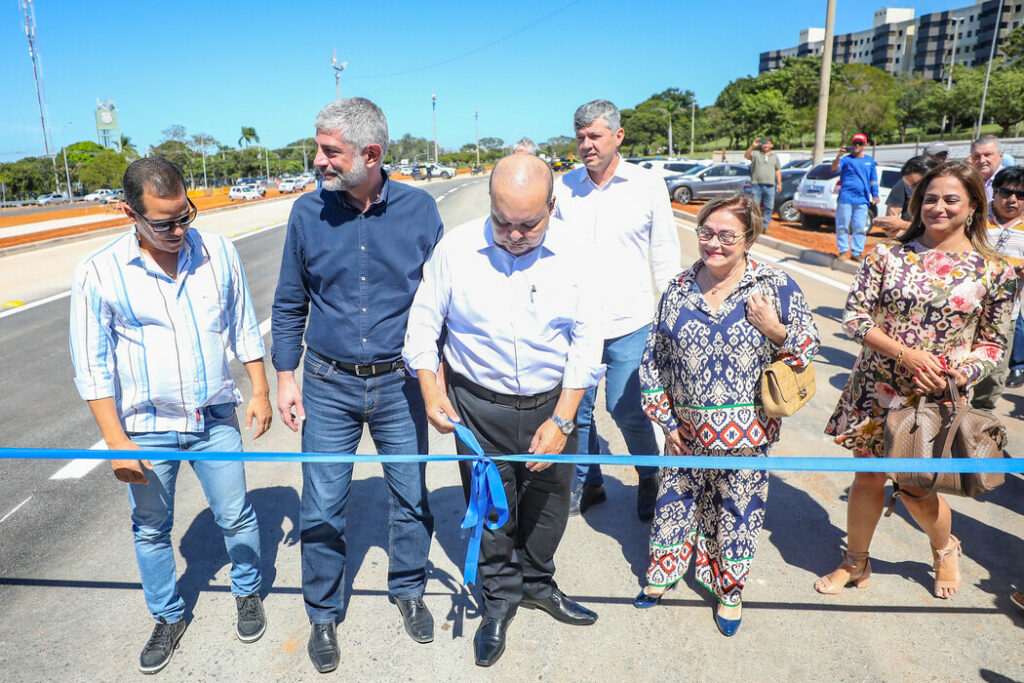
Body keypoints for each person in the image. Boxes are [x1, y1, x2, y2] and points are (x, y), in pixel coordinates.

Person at [69, 156, 272, 675]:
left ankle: (247, 593)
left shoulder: (218, 252)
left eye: (186, 215)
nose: (179, 230)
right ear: (127, 212)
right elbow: (91, 366)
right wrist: (116, 442)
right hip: (146, 428)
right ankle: (167, 615)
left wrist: (260, 390)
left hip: (213, 418)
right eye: (163, 223)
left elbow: (243, 325)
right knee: (151, 528)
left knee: (236, 514)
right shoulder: (99, 272)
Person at [404, 154, 603, 667]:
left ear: (552, 207)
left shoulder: (578, 253)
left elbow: (586, 343)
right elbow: (423, 325)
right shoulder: (455, 250)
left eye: (528, 225)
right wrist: (431, 391)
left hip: (551, 406)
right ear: (490, 205)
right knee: (494, 512)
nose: (514, 235)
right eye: (503, 222)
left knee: (548, 504)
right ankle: (498, 601)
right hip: (479, 408)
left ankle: (538, 583)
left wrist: (563, 421)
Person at [271, 98, 443, 674]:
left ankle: (410, 591)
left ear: (370, 154)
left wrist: (439, 381)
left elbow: (442, 304)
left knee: (411, 495)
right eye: (319, 148)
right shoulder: (305, 214)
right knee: (322, 503)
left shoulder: (420, 212)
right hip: (326, 384)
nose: (317, 160)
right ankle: (322, 615)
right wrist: (285, 377)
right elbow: (290, 302)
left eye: (329, 151)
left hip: (399, 386)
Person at [820, 161, 1016, 600]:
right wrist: (906, 354)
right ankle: (855, 562)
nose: (938, 207)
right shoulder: (885, 254)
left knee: (915, 486)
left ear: (972, 208)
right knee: (868, 478)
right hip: (877, 387)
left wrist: (955, 374)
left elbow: (993, 345)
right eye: (930, 198)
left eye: (951, 200)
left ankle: (945, 547)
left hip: (934, 397)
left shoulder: (996, 271)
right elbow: (854, 317)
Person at [634, 194, 819, 637]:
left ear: (749, 238)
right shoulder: (678, 289)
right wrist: (666, 422)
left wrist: (775, 329)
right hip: (686, 432)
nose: (713, 243)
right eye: (706, 233)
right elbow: (653, 361)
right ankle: (663, 574)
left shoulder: (774, 286)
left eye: (726, 236)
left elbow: (808, 349)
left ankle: (729, 591)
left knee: (738, 512)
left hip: (749, 434)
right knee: (675, 506)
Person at [553, 98, 681, 520]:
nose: (586, 145)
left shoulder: (646, 185)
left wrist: (673, 314)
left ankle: (649, 475)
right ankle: (589, 483)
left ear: (618, 136)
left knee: (627, 408)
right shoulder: (563, 188)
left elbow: (663, 252)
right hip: (574, 322)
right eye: (581, 137)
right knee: (578, 409)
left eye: (595, 136)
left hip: (632, 321)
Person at [973, 165, 1024, 406]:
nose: (1012, 200)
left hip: (1005, 316)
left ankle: (978, 422)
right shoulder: (975, 221)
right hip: (965, 311)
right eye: (1006, 192)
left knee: (993, 374)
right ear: (994, 191)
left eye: (1021, 195)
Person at [831, 133, 879, 262]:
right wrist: (838, 156)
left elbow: (873, 180)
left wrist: (875, 195)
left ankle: (857, 252)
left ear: (865, 145)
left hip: (862, 199)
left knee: (859, 227)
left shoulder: (869, 161)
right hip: (846, 197)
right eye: (855, 143)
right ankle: (843, 250)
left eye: (860, 143)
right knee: (842, 226)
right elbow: (834, 168)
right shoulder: (846, 160)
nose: (857, 146)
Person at [873, 155, 939, 239]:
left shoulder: (948, 199)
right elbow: (891, 216)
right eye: (911, 186)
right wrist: (893, 230)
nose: (915, 190)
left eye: (916, 185)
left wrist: (902, 225)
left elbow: (939, 229)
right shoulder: (903, 186)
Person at [744, 137, 782, 234]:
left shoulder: (774, 156)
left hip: (770, 185)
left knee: (769, 207)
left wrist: (779, 183)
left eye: (768, 143)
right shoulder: (756, 154)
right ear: (761, 145)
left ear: (772, 145)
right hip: (757, 184)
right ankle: (753, 225)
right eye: (764, 143)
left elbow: (777, 170)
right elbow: (746, 156)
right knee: (754, 206)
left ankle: (764, 226)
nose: (766, 145)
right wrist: (752, 146)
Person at [968, 136, 1002, 201]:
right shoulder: (968, 181)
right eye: (977, 156)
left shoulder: (1011, 181)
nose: (982, 160)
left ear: (1001, 155)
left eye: (987, 155)